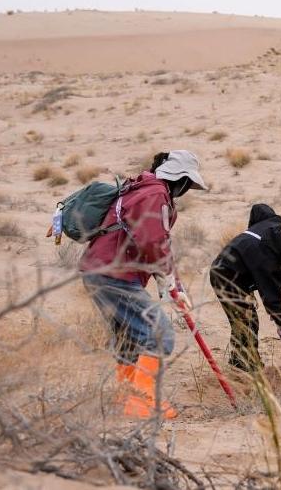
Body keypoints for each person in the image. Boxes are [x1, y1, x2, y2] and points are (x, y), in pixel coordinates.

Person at [79, 150, 208, 419]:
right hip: (114, 274)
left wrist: (175, 287)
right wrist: (168, 280)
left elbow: (158, 243)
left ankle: (125, 397)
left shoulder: (143, 188)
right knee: (159, 334)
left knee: (129, 336)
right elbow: (151, 242)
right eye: (188, 182)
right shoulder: (155, 194)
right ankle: (141, 403)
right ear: (180, 178)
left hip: (101, 270)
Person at [209, 205, 281, 373]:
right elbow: (271, 295)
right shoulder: (266, 257)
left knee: (247, 319)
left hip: (239, 270)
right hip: (225, 275)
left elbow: (259, 209)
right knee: (245, 321)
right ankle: (245, 366)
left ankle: (238, 360)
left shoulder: (276, 225)